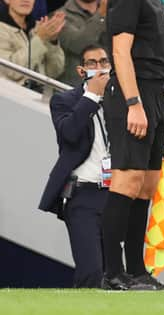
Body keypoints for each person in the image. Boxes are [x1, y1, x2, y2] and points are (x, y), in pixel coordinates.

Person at [100, 0, 164, 291]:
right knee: (126, 181)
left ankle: (136, 272)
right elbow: (120, 51)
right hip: (134, 92)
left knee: (146, 184)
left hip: (154, 92)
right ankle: (112, 273)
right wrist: (133, 102)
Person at [38, 44, 111, 288]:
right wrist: (91, 96)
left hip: (116, 194)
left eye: (104, 62)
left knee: (113, 274)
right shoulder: (64, 101)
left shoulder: (120, 101)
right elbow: (68, 134)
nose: (99, 68)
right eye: (92, 63)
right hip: (82, 195)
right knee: (91, 271)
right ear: (81, 71)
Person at [0, 0, 64, 85]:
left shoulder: (38, 28)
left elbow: (54, 71)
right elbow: (11, 71)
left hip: (39, 97)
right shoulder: (2, 29)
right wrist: (39, 38)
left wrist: (52, 42)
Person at [57, 0, 109, 86]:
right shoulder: (60, 16)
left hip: (110, 93)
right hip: (74, 93)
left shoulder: (111, 12)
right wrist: (101, 15)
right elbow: (79, 44)